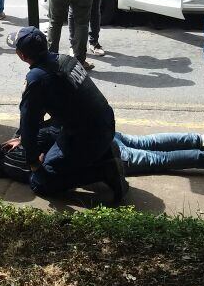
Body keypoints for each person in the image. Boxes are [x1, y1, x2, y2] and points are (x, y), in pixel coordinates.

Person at [7, 26, 128, 203]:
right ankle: (105, 154)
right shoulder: (65, 59)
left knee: (39, 183)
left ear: (22, 55)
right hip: (105, 124)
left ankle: (104, 170)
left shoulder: (37, 78)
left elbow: (29, 122)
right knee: (49, 139)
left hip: (87, 138)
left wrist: (33, 163)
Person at [0, 125, 204, 182]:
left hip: (96, 152)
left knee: (159, 161)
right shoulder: (17, 139)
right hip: (95, 133)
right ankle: (203, 140)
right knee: (149, 142)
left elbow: (41, 170)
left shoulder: (11, 164)